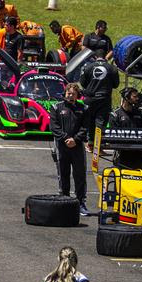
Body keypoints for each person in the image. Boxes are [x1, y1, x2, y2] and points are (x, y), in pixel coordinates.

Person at [50, 84, 92, 215]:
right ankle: (64, 201)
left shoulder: (84, 108)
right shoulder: (56, 107)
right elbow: (54, 127)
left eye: (73, 94)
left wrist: (75, 139)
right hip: (62, 146)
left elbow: (86, 127)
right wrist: (66, 138)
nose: (70, 96)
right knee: (63, 174)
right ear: (65, 93)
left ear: (77, 95)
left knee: (80, 175)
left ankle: (81, 203)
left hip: (77, 146)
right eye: (69, 93)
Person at [77, 49, 119, 148]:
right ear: (105, 57)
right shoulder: (112, 68)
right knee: (101, 121)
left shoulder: (87, 67)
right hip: (104, 98)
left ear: (95, 57)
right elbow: (116, 85)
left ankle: (91, 143)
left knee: (90, 120)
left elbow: (82, 83)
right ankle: (98, 145)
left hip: (90, 98)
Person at [108, 87, 142, 170]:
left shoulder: (141, 114)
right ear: (126, 97)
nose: (137, 99)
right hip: (121, 153)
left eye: (137, 96)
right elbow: (113, 137)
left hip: (137, 153)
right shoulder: (115, 115)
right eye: (134, 96)